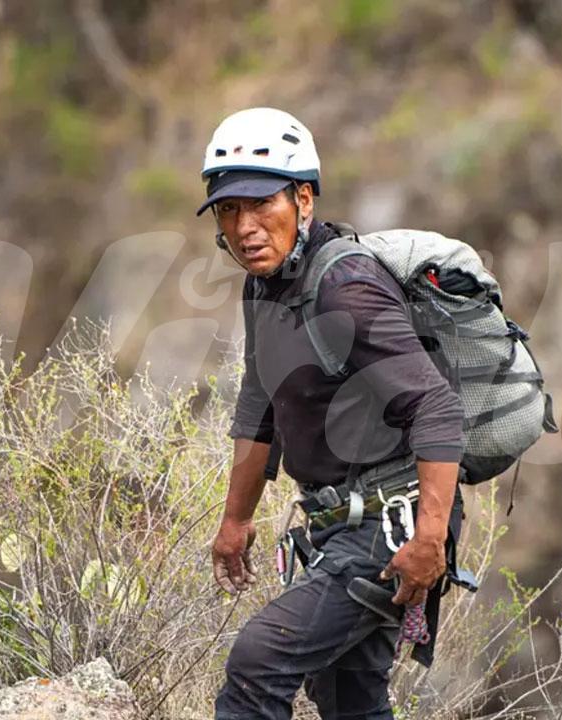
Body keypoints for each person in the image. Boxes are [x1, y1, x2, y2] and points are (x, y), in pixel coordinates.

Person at [202, 107, 466, 719]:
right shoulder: (264, 286)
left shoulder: (346, 284)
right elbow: (259, 402)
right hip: (337, 526)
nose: (244, 227)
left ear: (303, 199)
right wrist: (235, 521)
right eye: (227, 209)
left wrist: (431, 541)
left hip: (390, 528)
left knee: (257, 662)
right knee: (347, 696)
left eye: (260, 204)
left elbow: (435, 407)